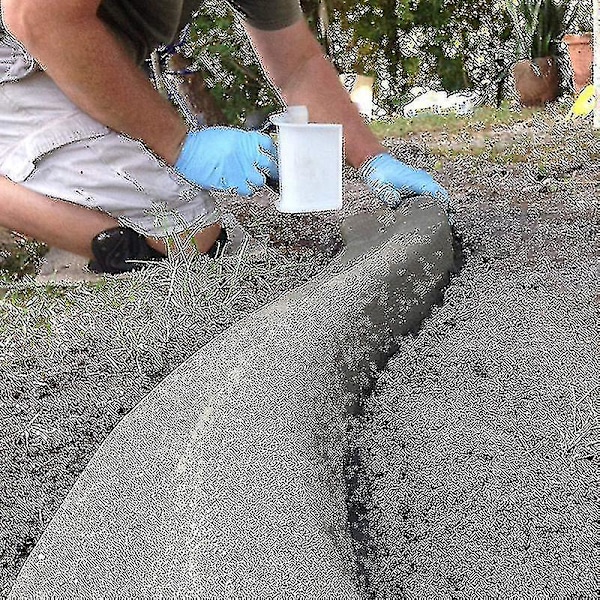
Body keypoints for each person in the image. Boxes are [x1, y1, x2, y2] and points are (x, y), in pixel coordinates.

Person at [0, 0, 447, 274]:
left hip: (74, 57)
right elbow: (36, 17)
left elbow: (298, 65)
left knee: (197, 236)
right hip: (18, 52)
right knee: (186, 237)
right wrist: (182, 145)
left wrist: (373, 161)